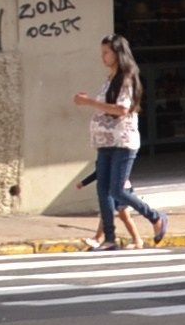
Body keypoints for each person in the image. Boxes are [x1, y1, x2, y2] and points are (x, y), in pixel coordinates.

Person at [69, 36, 165, 248]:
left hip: (122, 142)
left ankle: (155, 217)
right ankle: (109, 238)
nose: (103, 56)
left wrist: (89, 102)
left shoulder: (125, 79)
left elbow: (121, 109)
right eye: (102, 52)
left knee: (117, 190)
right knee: (103, 190)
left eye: (106, 52)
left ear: (118, 53)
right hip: (105, 143)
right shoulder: (110, 79)